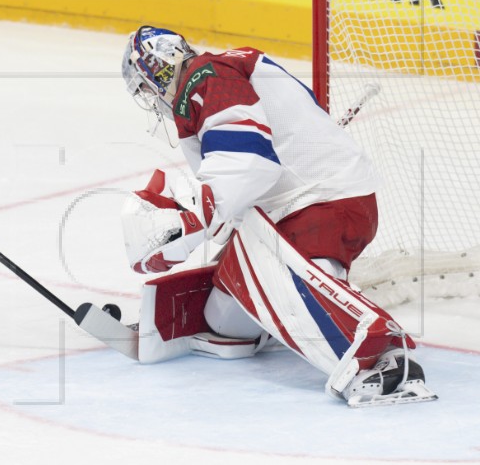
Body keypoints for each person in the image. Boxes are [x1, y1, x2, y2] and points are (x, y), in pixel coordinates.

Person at [119, 26, 437, 406]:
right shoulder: (221, 71)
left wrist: (188, 219)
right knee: (224, 322)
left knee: (276, 280)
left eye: (145, 86)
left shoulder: (204, 79)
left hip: (322, 203)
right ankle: (284, 312)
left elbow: (250, 163)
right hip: (298, 206)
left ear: (159, 70)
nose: (150, 98)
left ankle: (384, 358)